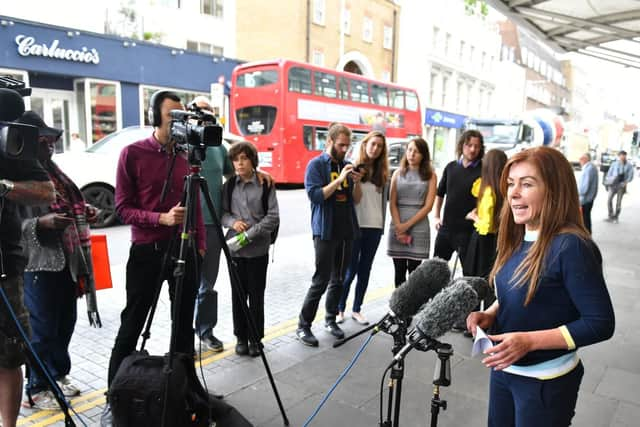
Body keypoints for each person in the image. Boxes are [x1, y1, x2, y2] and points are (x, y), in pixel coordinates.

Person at [466, 147, 615, 427]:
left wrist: (529, 341)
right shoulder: (516, 237)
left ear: (554, 190)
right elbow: (524, 290)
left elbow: (600, 323)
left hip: (544, 383)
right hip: (504, 369)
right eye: (511, 183)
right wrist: (494, 313)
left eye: (527, 184)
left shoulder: (571, 246)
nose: (513, 193)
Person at [102, 91, 206, 425]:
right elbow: (121, 207)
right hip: (147, 251)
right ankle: (114, 395)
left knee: (184, 326)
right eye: (172, 114)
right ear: (154, 116)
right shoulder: (132, 154)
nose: (179, 120)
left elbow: (196, 206)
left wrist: (200, 245)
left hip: (184, 249)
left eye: (181, 114)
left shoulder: (188, 157)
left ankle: (185, 390)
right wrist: (159, 219)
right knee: (132, 322)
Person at [18, 112, 101, 411]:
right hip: (38, 263)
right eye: (43, 141)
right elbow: (11, 225)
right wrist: (41, 223)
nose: (50, 146)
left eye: (52, 140)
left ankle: (58, 374)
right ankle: (37, 387)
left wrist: (85, 210)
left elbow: (69, 204)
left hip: (68, 260)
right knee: (42, 328)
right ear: (28, 143)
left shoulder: (54, 172)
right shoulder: (18, 175)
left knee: (65, 322)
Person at [0, 112, 55, 427]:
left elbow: (46, 192)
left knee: (8, 356)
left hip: (4, 268)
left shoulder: (8, 135)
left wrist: (3, 186)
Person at [296, 123, 361, 347]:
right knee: (320, 280)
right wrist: (340, 178)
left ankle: (330, 319)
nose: (345, 150)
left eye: (347, 146)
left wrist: (356, 183)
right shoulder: (316, 165)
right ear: (330, 142)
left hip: (346, 229)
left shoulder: (347, 165)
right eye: (341, 145)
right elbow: (316, 196)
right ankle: (303, 325)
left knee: (339, 279)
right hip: (325, 230)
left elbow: (356, 199)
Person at [221, 142, 279, 357]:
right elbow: (222, 213)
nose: (239, 163)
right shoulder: (228, 186)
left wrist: (251, 233)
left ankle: (256, 338)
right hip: (235, 251)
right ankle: (241, 338)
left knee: (256, 296)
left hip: (258, 250)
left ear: (253, 161)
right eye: (236, 159)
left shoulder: (265, 184)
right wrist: (233, 223)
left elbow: (273, 216)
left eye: (244, 158)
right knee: (238, 296)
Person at [191, 96, 234, 353]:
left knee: (208, 284)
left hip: (212, 225)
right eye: (201, 111)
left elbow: (234, 171)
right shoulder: (182, 144)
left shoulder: (219, 146)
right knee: (186, 284)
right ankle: (183, 333)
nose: (206, 116)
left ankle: (205, 331)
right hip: (186, 224)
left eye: (210, 111)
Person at [337, 131, 389, 325]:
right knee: (350, 270)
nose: (375, 149)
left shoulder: (383, 172)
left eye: (379, 146)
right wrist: (356, 182)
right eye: (372, 144)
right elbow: (355, 199)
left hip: (375, 227)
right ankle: (339, 308)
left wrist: (383, 226)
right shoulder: (353, 167)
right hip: (356, 226)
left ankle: (357, 309)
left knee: (365, 269)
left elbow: (384, 203)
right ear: (365, 144)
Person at [386, 137, 437, 287]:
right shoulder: (397, 174)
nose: (412, 154)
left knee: (415, 273)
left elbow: (428, 206)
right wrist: (398, 225)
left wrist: (406, 225)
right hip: (397, 224)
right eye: (409, 150)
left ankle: (413, 309)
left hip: (419, 226)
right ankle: (398, 309)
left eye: (416, 151)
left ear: (423, 155)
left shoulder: (431, 175)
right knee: (399, 271)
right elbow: (392, 202)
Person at [433, 130, 483, 274]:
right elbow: (440, 193)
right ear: (462, 145)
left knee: (469, 274)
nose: (473, 149)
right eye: (469, 145)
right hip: (446, 229)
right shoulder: (451, 167)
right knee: (435, 270)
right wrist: (436, 216)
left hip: (469, 232)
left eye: (476, 146)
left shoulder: (483, 170)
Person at [463, 149, 508, 279]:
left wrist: (474, 216)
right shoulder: (504, 189)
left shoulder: (489, 191)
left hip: (483, 241)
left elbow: (486, 226)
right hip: (498, 239)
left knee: (477, 278)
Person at [604, 150, 633, 223]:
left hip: (621, 186)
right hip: (613, 185)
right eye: (621, 155)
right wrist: (608, 181)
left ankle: (616, 217)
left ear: (625, 156)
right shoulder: (614, 164)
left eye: (624, 155)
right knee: (609, 200)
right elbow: (609, 173)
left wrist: (626, 182)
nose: (622, 156)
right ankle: (610, 215)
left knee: (618, 203)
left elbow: (630, 176)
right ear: (619, 156)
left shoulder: (629, 165)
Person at [577, 152, 598, 233]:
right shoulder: (591, 168)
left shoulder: (588, 169)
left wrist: (576, 193)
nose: (579, 161)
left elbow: (583, 188)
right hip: (589, 198)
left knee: (585, 219)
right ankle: (587, 235)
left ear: (585, 159)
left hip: (585, 199)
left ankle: (587, 236)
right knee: (586, 218)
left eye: (581, 159)